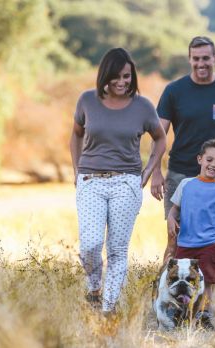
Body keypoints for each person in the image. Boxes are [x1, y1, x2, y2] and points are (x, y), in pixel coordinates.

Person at [69, 47, 166, 315]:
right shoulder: (87, 100)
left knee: (116, 250)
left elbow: (160, 139)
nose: (122, 82)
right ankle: (94, 287)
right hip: (91, 181)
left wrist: (147, 173)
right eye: (116, 77)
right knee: (89, 245)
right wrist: (77, 171)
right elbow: (76, 135)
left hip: (127, 183)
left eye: (127, 76)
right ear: (105, 77)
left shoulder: (142, 106)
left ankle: (108, 308)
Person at [151, 36, 215, 263]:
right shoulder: (174, 91)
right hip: (179, 173)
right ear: (189, 59)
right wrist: (156, 172)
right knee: (175, 239)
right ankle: (168, 294)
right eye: (196, 59)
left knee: (213, 240)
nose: (201, 63)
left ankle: (206, 297)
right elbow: (159, 134)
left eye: (206, 58)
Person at [166, 137, 215, 330]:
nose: (213, 164)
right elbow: (174, 210)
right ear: (200, 160)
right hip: (185, 243)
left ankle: (204, 314)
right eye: (209, 160)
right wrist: (171, 219)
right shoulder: (186, 184)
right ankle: (181, 312)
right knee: (181, 279)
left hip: (210, 244)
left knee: (208, 281)